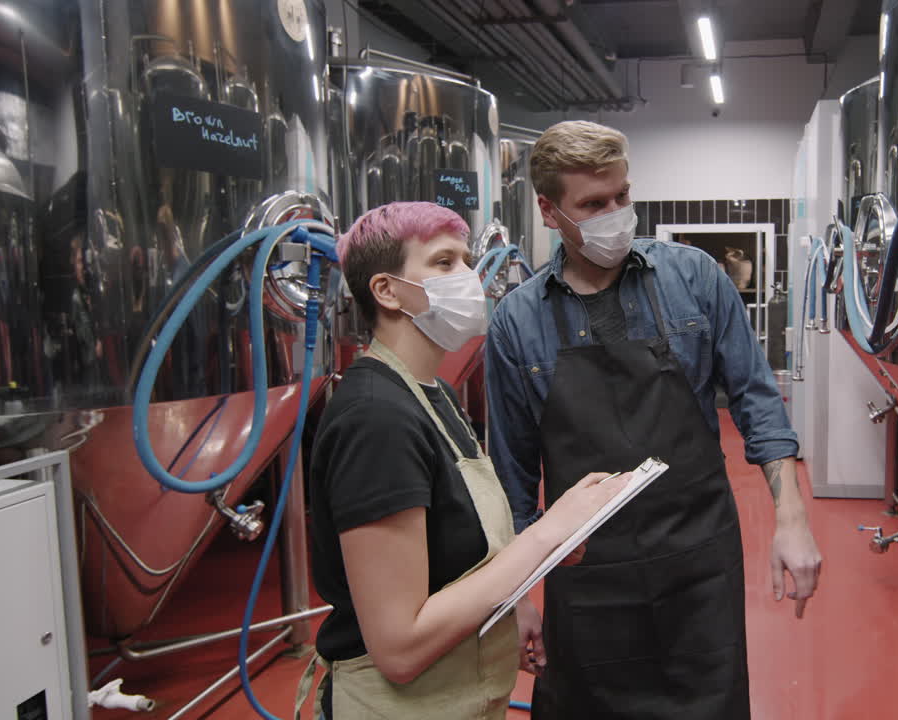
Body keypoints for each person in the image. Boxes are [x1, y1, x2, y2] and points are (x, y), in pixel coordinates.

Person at [484, 121, 823, 718]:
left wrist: (791, 521)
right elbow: (511, 478)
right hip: (588, 580)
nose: (614, 214)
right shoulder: (517, 322)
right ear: (548, 210)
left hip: (698, 568)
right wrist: (516, 600)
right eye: (592, 204)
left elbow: (758, 402)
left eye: (622, 197)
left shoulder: (692, 278)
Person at [305, 201, 628, 719]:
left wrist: (512, 597)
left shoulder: (431, 393)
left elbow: (451, 558)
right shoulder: (376, 419)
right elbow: (400, 647)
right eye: (443, 263)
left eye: (465, 260)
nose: (469, 278)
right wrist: (544, 536)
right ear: (386, 291)